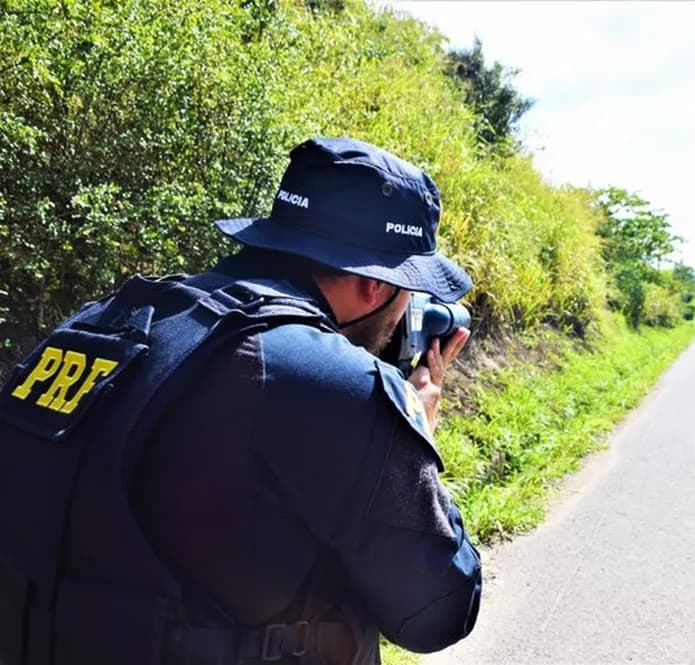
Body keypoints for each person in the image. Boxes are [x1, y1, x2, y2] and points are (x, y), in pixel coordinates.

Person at [0, 138, 481, 665]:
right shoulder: (335, 385)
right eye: (406, 287)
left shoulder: (100, 325)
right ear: (371, 284)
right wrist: (416, 431)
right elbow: (439, 611)